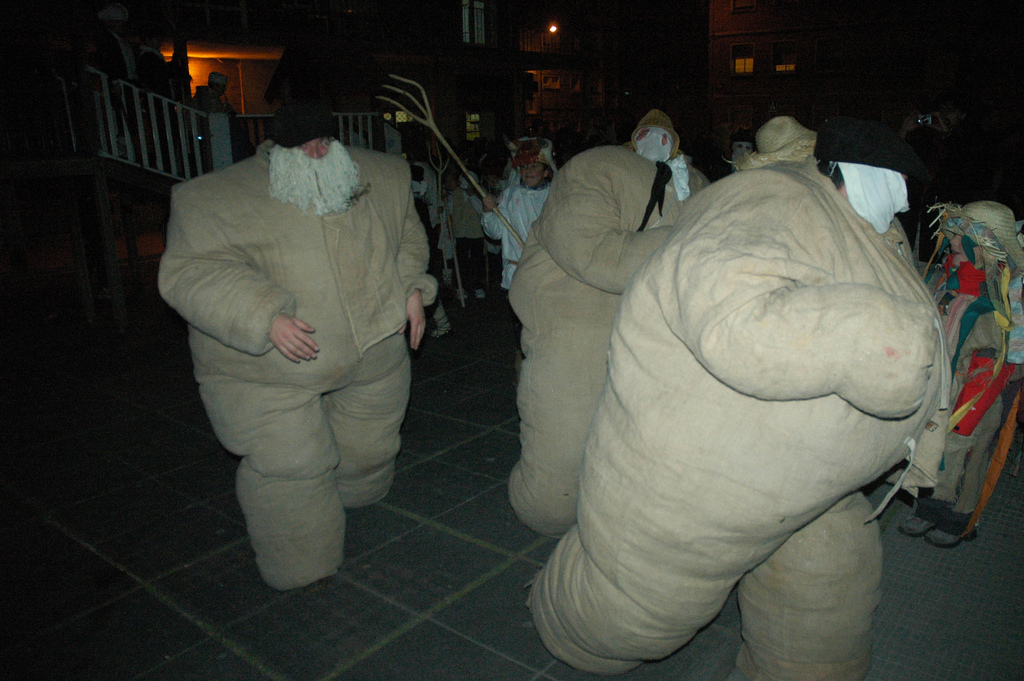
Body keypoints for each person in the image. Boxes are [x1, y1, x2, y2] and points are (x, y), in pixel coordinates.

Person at [526, 117, 950, 680]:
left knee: (827, 578)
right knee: (621, 613)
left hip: (809, 480)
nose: (901, 198)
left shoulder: (869, 228)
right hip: (701, 476)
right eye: (892, 181)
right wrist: (874, 339)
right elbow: (727, 304)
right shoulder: (769, 199)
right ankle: (561, 601)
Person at [158, 101, 437, 591]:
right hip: (268, 371)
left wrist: (411, 287)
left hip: (372, 343)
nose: (317, 151)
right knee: (291, 464)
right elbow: (190, 271)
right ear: (278, 146)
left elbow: (406, 236)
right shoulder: (213, 199)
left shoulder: (381, 176)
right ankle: (302, 563)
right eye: (305, 145)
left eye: (325, 142)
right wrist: (263, 314)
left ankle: (356, 491)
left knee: (370, 438)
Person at [507, 109, 709, 537]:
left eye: (665, 137)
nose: (656, 142)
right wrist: (687, 241)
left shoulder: (695, 184)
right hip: (578, 327)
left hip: (659, 337)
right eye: (648, 134)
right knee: (556, 481)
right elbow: (594, 253)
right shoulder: (596, 169)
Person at [899, 200, 1023, 547]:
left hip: (979, 387)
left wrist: (969, 401)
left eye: (962, 240)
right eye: (952, 237)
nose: (953, 243)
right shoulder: (950, 280)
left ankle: (960, 517)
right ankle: (928, 507)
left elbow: (1002, 357)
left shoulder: (1000, 298)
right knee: (934, 441)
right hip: (947, 382)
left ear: (984, 250)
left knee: (967, 448)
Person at [481, 137, 555, 290]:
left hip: (547, 271)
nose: (528, 171)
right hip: (517, 272)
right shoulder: (510, 195)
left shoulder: (555, 196)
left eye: (534, 166)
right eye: (524, 166)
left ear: (546, 172)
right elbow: (495, 232)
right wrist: (488, 211)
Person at [442, 168, 486, 299]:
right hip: (460, 233)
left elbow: (482, 211)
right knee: (461, 261)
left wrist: (473, 196)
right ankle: (461, 287)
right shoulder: (455, 194)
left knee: (477, 261)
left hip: (476, 233)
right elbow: (450, 211)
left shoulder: (481, 194)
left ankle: (477, 286)